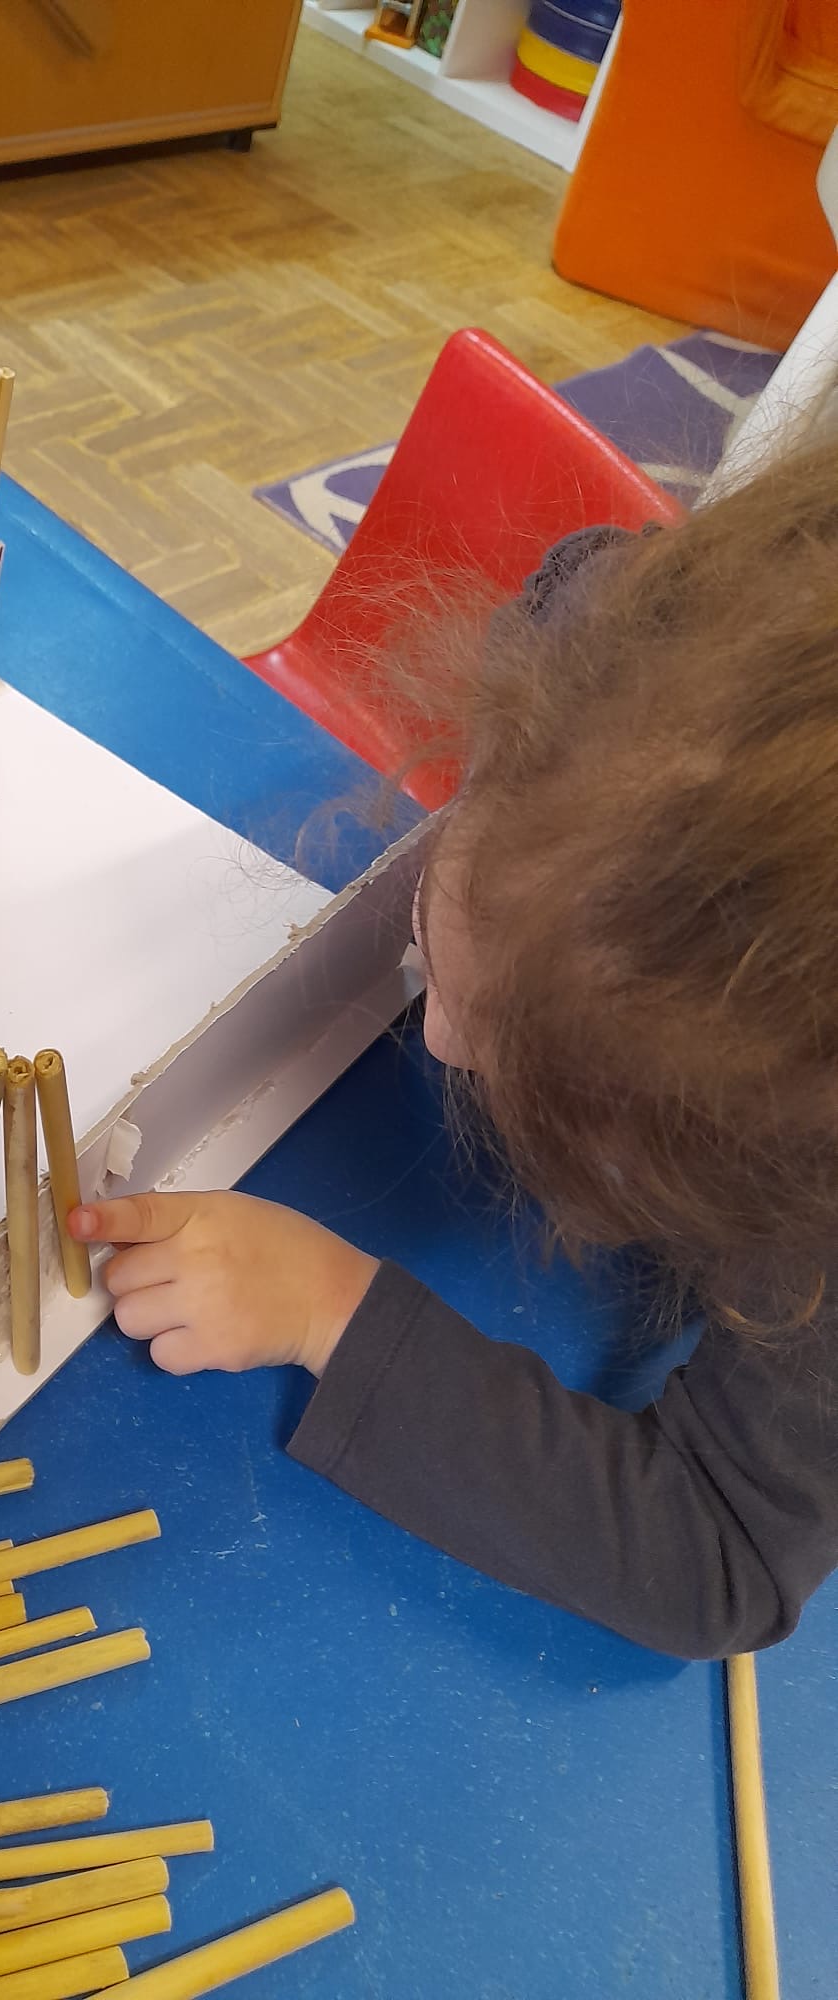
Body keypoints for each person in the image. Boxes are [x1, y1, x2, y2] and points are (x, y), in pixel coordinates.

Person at [68, 441, 838, 1661]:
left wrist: (331, 1306)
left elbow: (720, 1554)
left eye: (543, 1062)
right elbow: (577, 586)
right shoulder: (617, 638)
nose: (434, 1035)